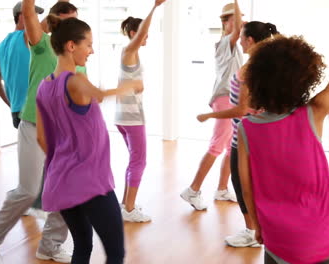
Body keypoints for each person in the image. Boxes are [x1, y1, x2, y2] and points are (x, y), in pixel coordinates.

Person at [236, 0, 329, 262]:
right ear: (304, 78)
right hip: (322, 236)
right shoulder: (313, 112)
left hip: (278, 238)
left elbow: (246, 189)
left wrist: (258, 227)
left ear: (256, 80)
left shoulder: (247, 129)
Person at [0, 1, 80, 263]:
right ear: (52, 22)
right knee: (28, 190)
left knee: (67, 189)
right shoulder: (40, 44)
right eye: (64, 21)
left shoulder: (78, 55)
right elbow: (28, 12)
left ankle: (50, 245)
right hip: (34, 124)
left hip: (64, 133)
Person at [36, 15, 142, 264]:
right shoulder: (76, 80)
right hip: (91, 182)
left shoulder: (44, 87)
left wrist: (65, 157)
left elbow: (42, 137)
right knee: (116, 252)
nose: (91, 51)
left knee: (82, 246)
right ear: (71, 46)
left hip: (60, 179)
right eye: (88, 45)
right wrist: (131, 85)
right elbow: (101, 95)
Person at [196, 20, 279, 248]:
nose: (239, 41)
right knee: (254, 185)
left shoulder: (248, 70)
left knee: (243, 186)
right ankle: (259, 230)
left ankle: (252, 233)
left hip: (243, 139)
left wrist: (209, 116)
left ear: (250, 40)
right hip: (259, 136)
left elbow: (242, 109)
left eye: (241, 37)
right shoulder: (267, 65)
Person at [180, 0, 242, 211]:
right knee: (217, 146)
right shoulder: (227, 42)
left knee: (230, 148)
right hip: (225, 98)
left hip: (230, 98)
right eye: (238, 19)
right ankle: (193, 190)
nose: (243, 23)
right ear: (227, 22)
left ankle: (222, 188)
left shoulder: (233, 44)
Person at [116, 0, 166, 222]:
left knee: (134, 160)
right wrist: (154, 8)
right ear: (135, 33)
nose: (147, 37)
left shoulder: (130, 54)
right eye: (143, 35)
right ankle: (129, 209)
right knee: (139, 161)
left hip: (125, 116)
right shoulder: (129, 50)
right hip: (131, 118)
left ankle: (126, 204)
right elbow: (143, 31)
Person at [0, 2, 44, 129]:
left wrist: (12, 104)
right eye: (34, 15)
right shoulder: (26, 36)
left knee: (29, 148)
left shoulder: (1, 46)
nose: (37, 19)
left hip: (17, 111)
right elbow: (49, 23)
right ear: (22, 16)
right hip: (33, 109)